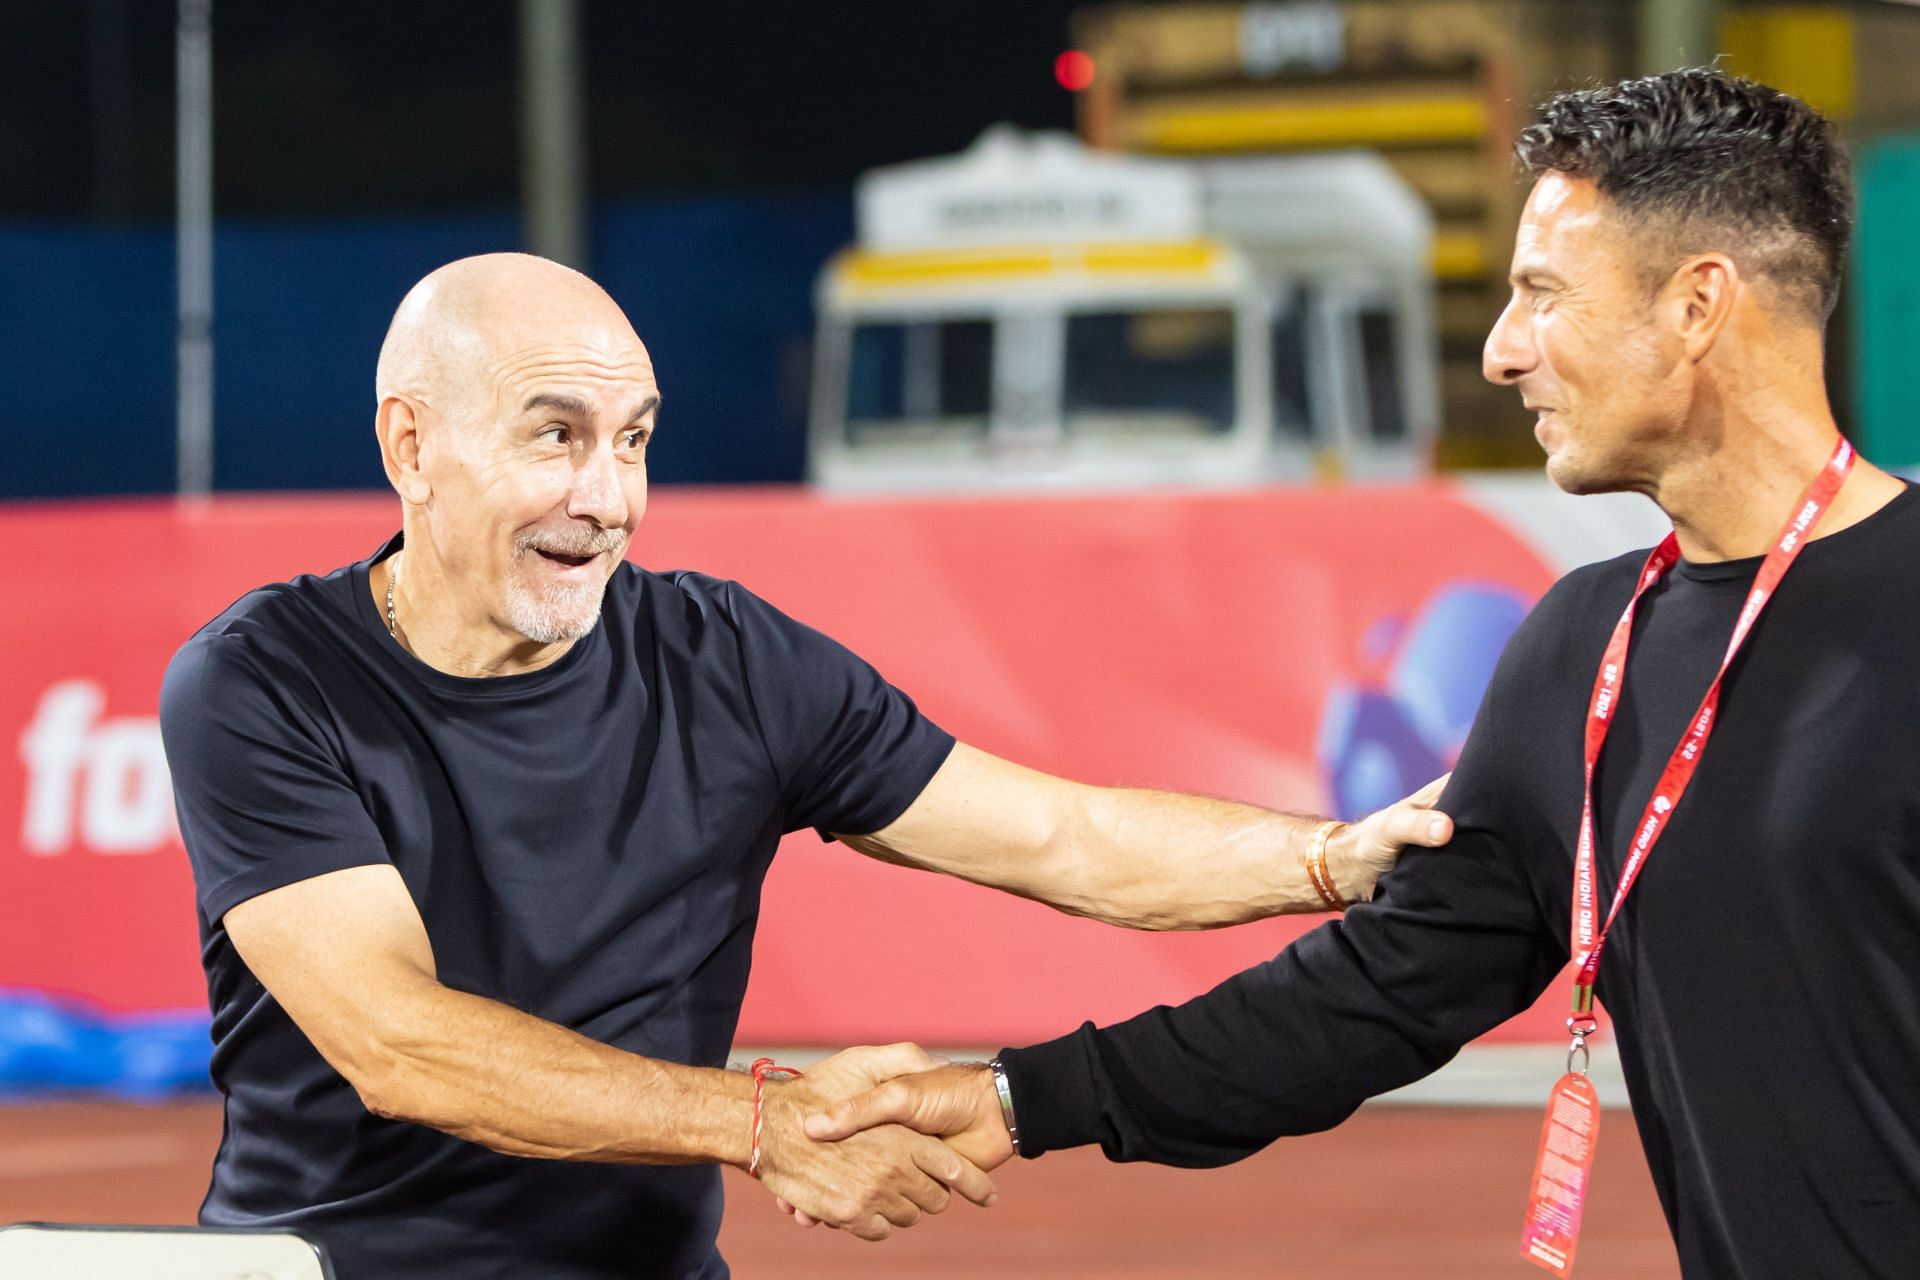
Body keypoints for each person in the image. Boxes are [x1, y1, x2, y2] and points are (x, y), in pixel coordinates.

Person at [809, 68, 1920, 1279]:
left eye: (1541, 294)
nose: (1501, 353)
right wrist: (1020, 1096)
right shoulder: (1580, 648)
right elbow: (1367, 1000)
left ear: (1698, 304)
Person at [156, 251, 1453, 1279]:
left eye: (634, 438)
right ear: (411, 448)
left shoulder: (729, 661)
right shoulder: (261, 681)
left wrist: (1330, 859)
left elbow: (1064, 839)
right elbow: (397, 1042)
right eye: (555, 434)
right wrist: (761, 1124)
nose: (607, 496)